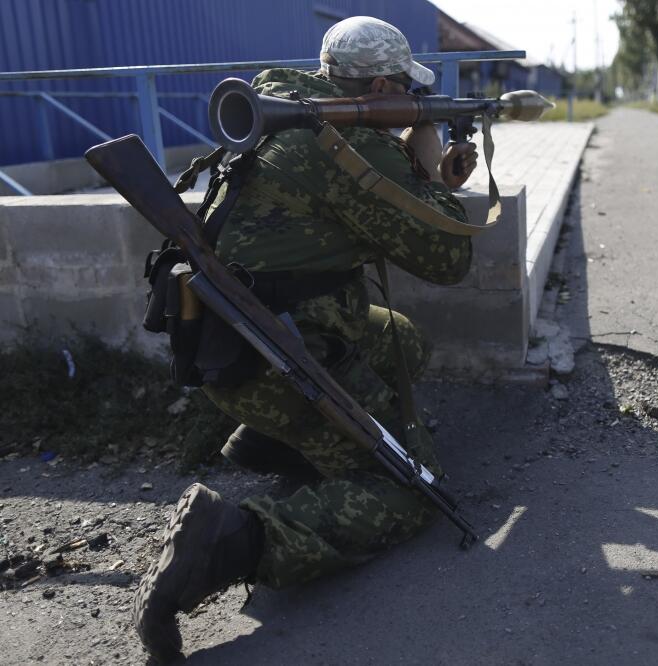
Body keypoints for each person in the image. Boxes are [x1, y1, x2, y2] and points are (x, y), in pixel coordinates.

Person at [133, 16, 479, 661]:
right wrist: (430, 173)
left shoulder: (280, 102)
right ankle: (229, 539)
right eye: (408, 90)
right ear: (382, 87)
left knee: (401, 342)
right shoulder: (352, 150)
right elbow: (447, 260)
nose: (413, 100)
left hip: (234, 337)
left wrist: (413, 159)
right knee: (410, 491)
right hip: (282, 358)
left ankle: (276, 442)